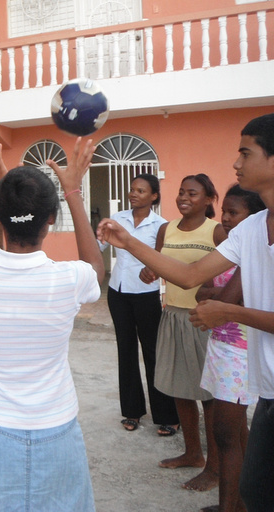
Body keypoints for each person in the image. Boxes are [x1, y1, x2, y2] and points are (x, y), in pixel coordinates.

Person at [97, 113, 274, 512]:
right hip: (268, 391)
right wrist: (128, 243)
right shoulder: (251, 228)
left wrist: (229, 311)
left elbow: (223, 297)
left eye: (246, 153)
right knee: (257, 485)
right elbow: (191, 274)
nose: (236, 163)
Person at [0, 139, 104, 511]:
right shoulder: (68, 279)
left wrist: (2, 192)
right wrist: (73, 191)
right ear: (51, 219)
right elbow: (97, 268)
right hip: (58, 429)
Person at [144, 174, 225, 490]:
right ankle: (193, 453)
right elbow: (157, 265)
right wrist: (148, 271)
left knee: (209, 396)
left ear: (208, 200)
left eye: (192, 193)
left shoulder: (215, 231)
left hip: (201, 319)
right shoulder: (166, 229)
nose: (183, 197)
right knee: (180, 388)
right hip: (173, 315)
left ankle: (216, 468)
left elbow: (232, 271)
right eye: (181, 192)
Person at [194, 184, 264, 512]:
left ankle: (230, 508)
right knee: (237, 433)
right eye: (224, 212)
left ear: (254, 219)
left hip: (240, 353)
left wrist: (215, 298)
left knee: (226, 435)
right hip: (222, 347)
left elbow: (224, 299)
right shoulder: (230, 249)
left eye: (234, 213)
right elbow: (200, 291)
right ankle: (240, 502)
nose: (225, 219)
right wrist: (213, 297)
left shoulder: (250, 253)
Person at [102, 174, 179, 435]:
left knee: (153, 353)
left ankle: (167, 415)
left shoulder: (161, 225)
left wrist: (154, 270)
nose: (134, 194)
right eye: (132, 189)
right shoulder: (118, 220)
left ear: (154, 196)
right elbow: (99, 244)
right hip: (118, 292)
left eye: (141, 190)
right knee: (126, 350)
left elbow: (162, 258)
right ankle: (132, 412)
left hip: (146, 294)